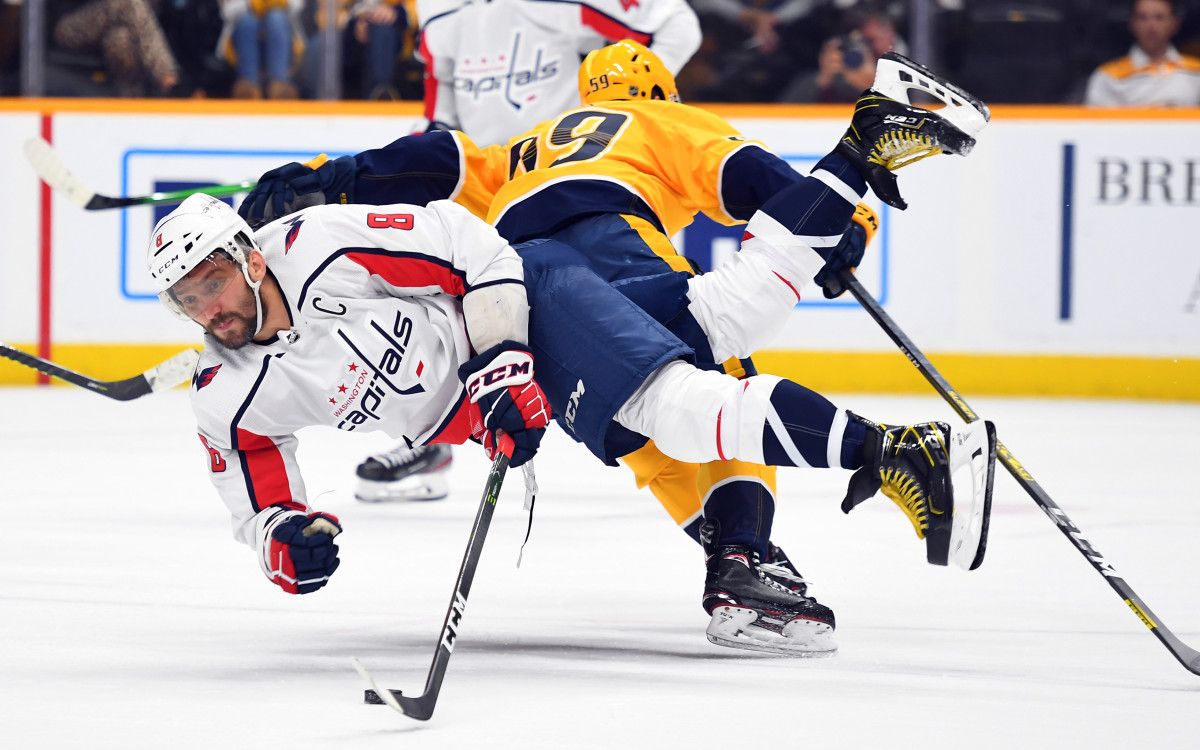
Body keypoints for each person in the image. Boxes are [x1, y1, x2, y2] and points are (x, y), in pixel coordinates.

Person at [212, 46, 997, 655]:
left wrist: (338, 177)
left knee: (661, 421)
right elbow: (758, 181)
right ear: (658, 91)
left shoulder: (527, 144)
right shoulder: (667, 121)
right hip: (598, 265)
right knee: (711, 357)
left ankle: (746, 557)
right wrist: (844, 228)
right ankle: (784, 527)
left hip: (530, 282)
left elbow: (437, 162)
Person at [414, 0, 701, 145]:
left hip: (570, 167)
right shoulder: (436, 6)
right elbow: (442, 80)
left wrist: (634, 103)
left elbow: (677, 25)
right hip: (486, 178)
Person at [50, 0, 181, 97]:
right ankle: (167, 77)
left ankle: (130, 101)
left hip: (110, 28)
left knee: (119, 38)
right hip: (67, 26)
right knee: (129, 2)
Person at [1085, 0, 1200, 107]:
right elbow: (1097, 125)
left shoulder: (1196, 72)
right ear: (1132, 23)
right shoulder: (1108, 77)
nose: (1151, 26)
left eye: (1159, 18)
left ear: (1174, 24)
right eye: (1143, 18)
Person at [218, 0, 305, 99]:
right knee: (247, 22)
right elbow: (226, 11)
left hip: (283, 41)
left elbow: (299, 5)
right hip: (243, 40)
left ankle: (280, 88)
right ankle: (248, 89)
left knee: (276, 18)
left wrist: (283, 2)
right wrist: (250, 4)